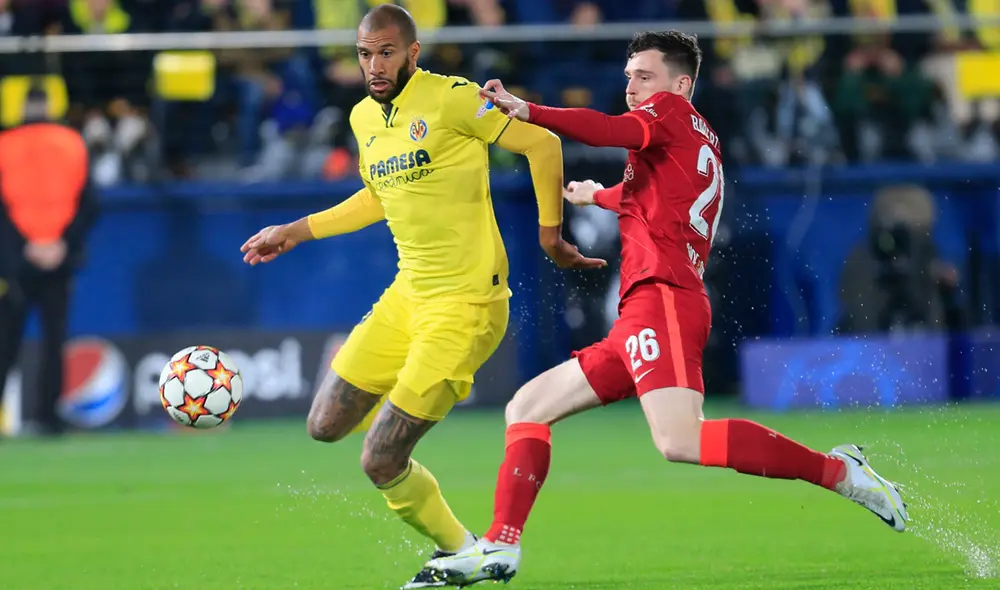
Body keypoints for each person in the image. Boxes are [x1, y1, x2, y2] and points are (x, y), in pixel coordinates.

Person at [426, 30, 908, 586]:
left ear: (681, 83)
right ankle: (501, 545)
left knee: (680, 440)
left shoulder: (670, 112)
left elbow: (609, 131)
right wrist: (598, 196)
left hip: (664, 299)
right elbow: (652, 198)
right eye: (629, 76)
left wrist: (526, 109)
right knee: (527, 406)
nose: (632, 87)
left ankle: (839, 472)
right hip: (645, 307)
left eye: (645, 76)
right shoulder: (694, 135)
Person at [238, 5, 603, 589]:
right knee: (325, 423)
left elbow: (542, 145)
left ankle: (466, 550)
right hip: (410, 294)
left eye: (386, 52)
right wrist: (295, 230)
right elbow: (374, 198)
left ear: (413, 52)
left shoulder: (454, 98)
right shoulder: (362, 118)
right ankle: (428, 477)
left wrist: (550, 234)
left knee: (379, 459)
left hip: (467, 305)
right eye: (364, 53)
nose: (374, 65)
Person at [0, 85, 99, 437]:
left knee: (6, 342)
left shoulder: (5, 143)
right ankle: (49, 419)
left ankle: (48, 417)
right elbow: (89, 204)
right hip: (57, 259)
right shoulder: (72, 142)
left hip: (15, 262)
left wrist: (22, 247)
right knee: (54, 339)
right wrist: (61, 244)